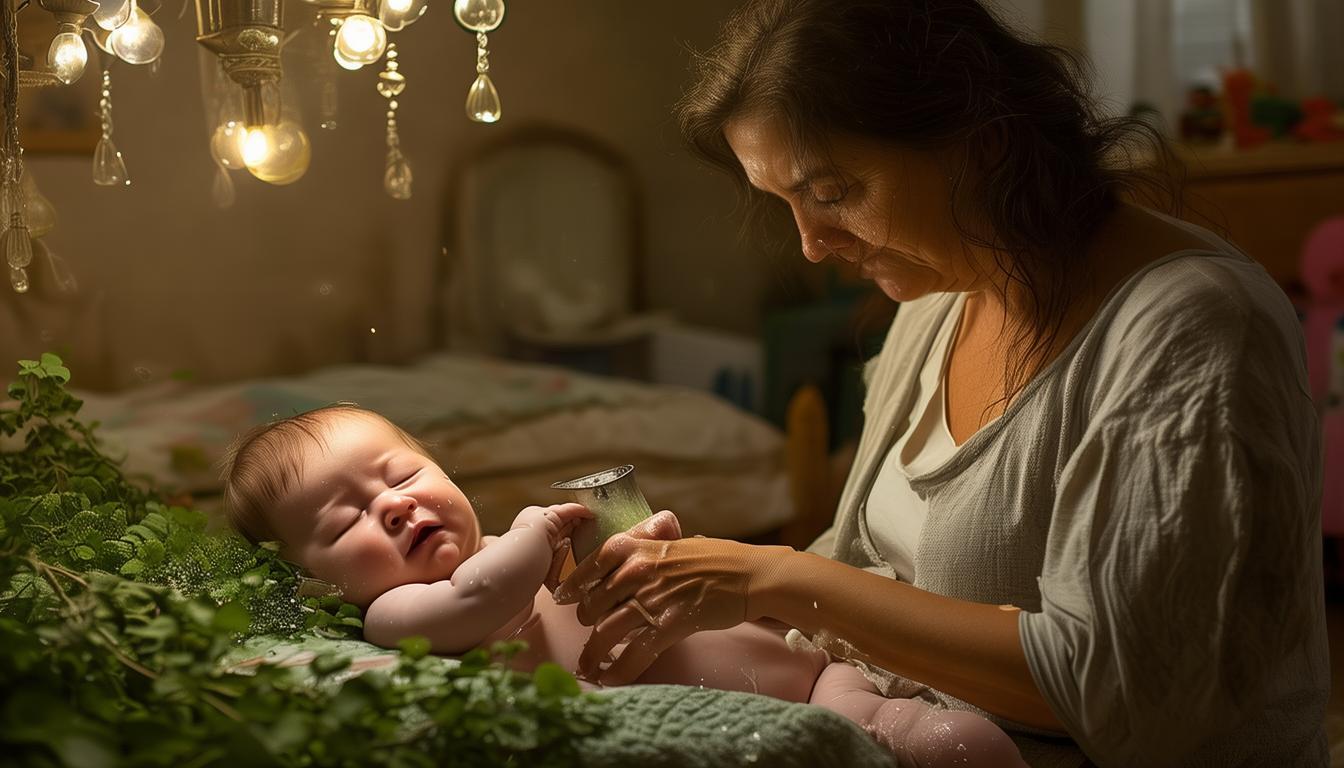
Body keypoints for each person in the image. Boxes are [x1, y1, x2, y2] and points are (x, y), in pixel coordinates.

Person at [553, 1, 1330, 766]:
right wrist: (706, 586)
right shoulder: (942, 297)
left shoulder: (1191, 328)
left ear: (978, 142)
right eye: (785, 203)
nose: (812, 244)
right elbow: (867, 572)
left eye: (831, 193)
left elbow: (1117, 695)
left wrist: (776, 578)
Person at [220, 404, 1029, 768]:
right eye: (347, 520)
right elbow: (481, 599)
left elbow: (584, 591)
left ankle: (904, 728)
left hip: (812, 669)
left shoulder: (509, 551)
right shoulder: (397, 615)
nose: (394, 505)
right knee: (882, 743)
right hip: (758, 719)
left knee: (925, 731)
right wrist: (537, 530)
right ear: (316, 585)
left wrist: (636, 553)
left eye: (401, 475)